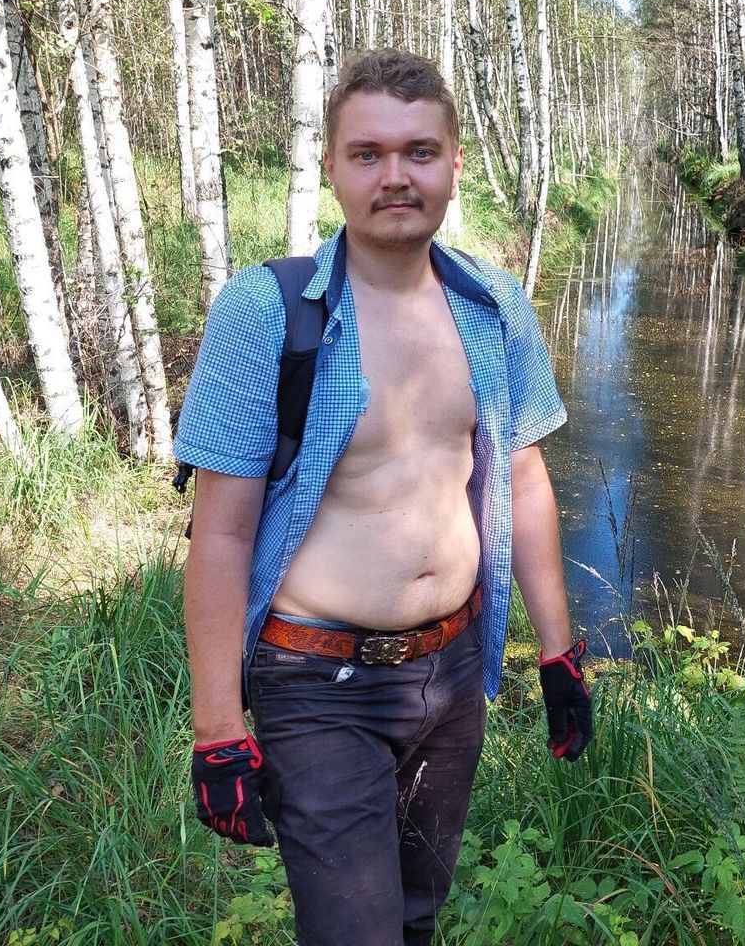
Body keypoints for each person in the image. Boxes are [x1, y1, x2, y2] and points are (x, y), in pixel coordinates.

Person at [174, 48, 594, 946]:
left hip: (451, 673)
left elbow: (523, 479)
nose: (395, 176)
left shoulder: (495, 306)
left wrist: (559, 653)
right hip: (315, 684)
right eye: (368, 154)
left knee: (415, 916)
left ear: (454, 164)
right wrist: (218, 730)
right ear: (331, 166)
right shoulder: (266, 311)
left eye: (419, 152)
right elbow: (220, 534)